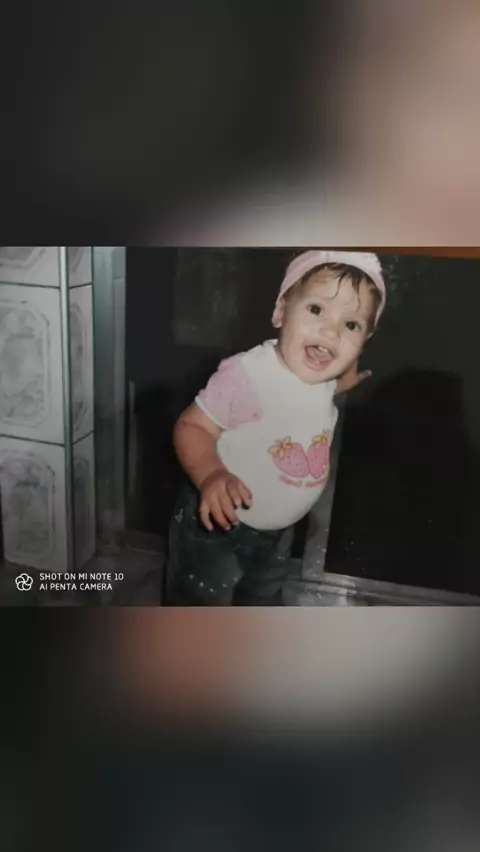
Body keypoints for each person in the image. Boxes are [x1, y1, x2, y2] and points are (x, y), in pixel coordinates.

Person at [167, 250, 386, 605]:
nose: (331, 331)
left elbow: (318, 390)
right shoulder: (249, 376)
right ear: (281, 311)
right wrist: (211, 475)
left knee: (261, 598)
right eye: (316, 309)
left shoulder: (321, 379)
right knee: (200, 605)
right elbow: (192, 427)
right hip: (219, 526)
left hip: (278, 533)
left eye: (351, 325)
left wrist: (346, 378)